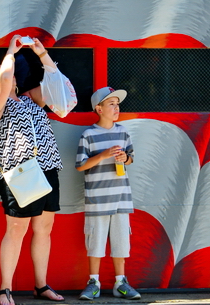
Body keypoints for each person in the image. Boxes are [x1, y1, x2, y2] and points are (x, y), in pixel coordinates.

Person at [0, 35, 66, 305]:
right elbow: (4, 82)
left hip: (48, 167)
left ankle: (41, 285)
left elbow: (59, 88)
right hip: (19, 172)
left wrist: (42, 55)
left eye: (9, 72)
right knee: (16, 230)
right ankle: (5, 289)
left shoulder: (31, 100)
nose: (6, 76)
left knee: (45, 228)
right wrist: (10, 52)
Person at [75, 87, 140, 301]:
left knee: (121, 241)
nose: (116, 108)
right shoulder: (88, 135)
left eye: (117, 104)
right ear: (99, 108)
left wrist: (124, 159)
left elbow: (131, 157)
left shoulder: (123, 132)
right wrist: (103, 155)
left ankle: (120, 282)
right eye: (111, 104)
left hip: (121, 197)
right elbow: (80, 166)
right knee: (96, 241)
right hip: (97, 199)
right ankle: (93, 282)